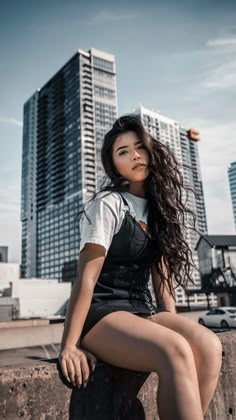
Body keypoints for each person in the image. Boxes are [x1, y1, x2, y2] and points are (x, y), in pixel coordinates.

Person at [59, 115, 222, 420]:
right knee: (173, 349)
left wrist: (173, 326)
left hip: (141, 313)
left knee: (209, 345)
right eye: (123, 152)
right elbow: (86, 278)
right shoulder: (108, 204)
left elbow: (163, 284)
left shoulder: (158, 210)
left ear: (149, 151)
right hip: (102, 315)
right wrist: (69, 345)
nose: (134, 155)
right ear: (114, 165)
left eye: (139, 147)